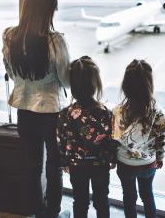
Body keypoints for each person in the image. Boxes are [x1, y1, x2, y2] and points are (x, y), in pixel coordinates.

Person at [2, 0, 70, 218]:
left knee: (31, 167)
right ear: (49, 10)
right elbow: (66, 79)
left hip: (24, 109)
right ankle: (52, 213)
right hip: (51, 112)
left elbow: (11, 73)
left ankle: (35, 210)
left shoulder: (10, 36)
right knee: (54, 167)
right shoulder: (55, 42)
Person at [57, 56, 116, 218]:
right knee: (102, 200)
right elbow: (111, 140)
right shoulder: (105, 113)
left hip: (77, 165)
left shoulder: (65, 114)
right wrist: (112, 158)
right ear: (95, 84)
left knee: (80, 202)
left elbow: (61, 142)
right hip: (101, 164)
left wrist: (64, 162)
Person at [112, 59, 165, 218]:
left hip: (125, 164)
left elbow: (115, 141)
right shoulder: (158, 112)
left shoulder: (118, 112)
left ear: (125, 86)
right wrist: (160, 157)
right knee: (147, 195)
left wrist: (113, 158)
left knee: (129, 198)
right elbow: (161, 139)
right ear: (149, 85)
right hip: (148, 164)